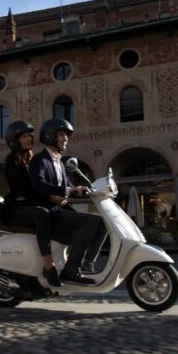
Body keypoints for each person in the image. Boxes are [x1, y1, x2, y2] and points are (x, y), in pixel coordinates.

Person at [29, 118, 104, 285]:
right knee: (90, 223)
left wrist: (84, 190)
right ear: (50, 136)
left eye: (66, 136)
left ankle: (87, 264)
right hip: (49, 213)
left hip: (60, 211)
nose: (66, 139)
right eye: (62, 135)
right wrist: (65, 191)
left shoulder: (60, 163)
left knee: (102, 222)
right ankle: (71, 270)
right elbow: (39, 185)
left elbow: (68, 187)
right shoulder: (39, 160)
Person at [2, 120, 61, 287]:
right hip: (17, 207)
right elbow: (25, 191)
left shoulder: (32, 158)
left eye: (29, 136)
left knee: (62, 211)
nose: (28, 139)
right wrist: (50, 197)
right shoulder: (12, 160)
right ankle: (49, 266)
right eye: (23, 137)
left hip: (30, 203)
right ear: (15, 140)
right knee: (42, 213)